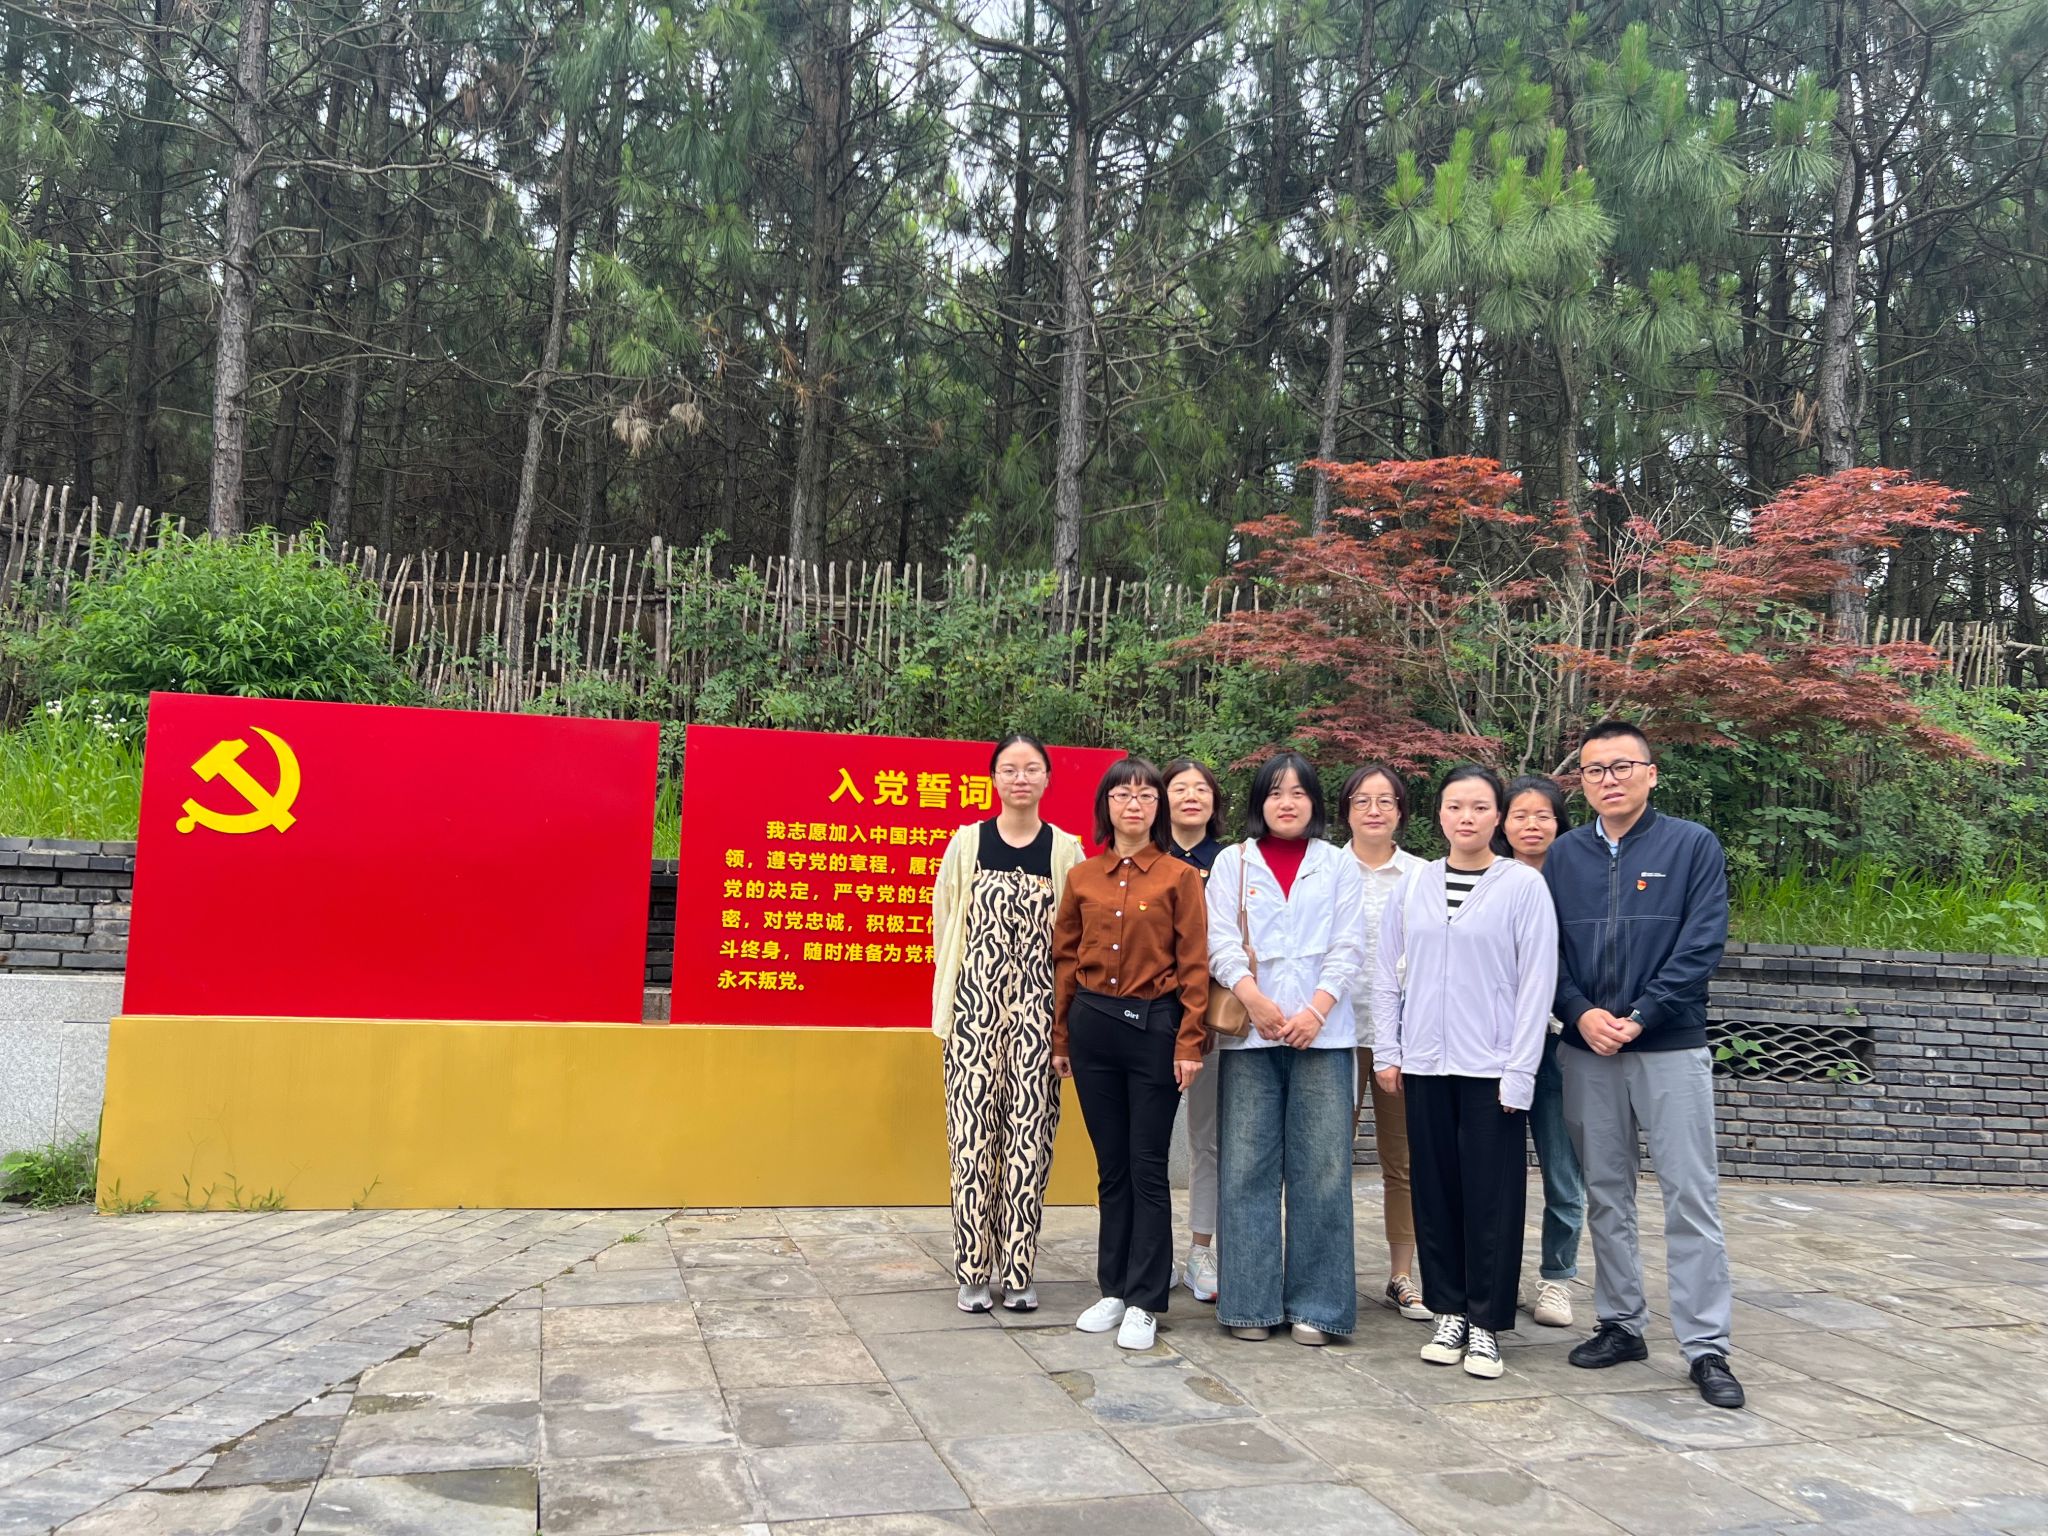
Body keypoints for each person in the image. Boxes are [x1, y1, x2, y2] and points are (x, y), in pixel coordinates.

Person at [1545, 719, 1744, 1410]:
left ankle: (1706, 1345)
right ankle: (1621, 1323)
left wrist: (1644, 1013)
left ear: (1651, 773)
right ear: (1583, 781)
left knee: (1690, 1194)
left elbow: (1703, 941)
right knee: (1606, 1191)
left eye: (1622, 766)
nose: (1609, 779)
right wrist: (1579, 1013)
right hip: (1588, 1049)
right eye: (1595, 770)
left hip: (1670, 1045)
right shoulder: (1564, 856)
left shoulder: (1691, 845)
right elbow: (1546, 952)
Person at [1372, 764, 1557, 1380]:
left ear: (1497, 816)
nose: (1467, 817)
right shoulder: (1415, 884)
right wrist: (1389, 1050)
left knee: (1491, 1198)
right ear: (1440, 815)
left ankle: (1486, 1323)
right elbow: (1386, 972)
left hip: (1492, 1068)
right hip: (1426, 1063)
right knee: (1435, 1192)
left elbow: (1536, 984)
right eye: (1455, 806)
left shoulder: (1522, 886)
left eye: (1480, 807)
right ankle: (1448, 1310)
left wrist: (1520, 1072)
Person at [1207, 752, 1367, 1346]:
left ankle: (1318, 1308)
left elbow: (1349, 945)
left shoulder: (1338, 863)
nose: (1287, 802)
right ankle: (1249, 1304)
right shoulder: (1233, 862)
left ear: (1315, 803)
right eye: (1275, 792)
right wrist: (1254, 1001)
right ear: (1259, 802)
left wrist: (1315, 1011)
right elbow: (1218, 940)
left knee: (1322, 1172)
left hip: (1324, 1036)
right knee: (1246, 1170)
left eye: (1299, 792)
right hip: (1251, 1037)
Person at [1054, 758, 1211, 1350]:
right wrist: (1062, 1038)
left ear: (1157, 808)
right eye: (1122, 795)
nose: (1134, 805)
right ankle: (1113, 1289)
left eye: (1146, 795)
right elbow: (1066, 960)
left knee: (1147, 1166)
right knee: (1111, 1167)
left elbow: (1194, 965)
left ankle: (1146, 1299)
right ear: (1107, 806)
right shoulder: (1083, 877)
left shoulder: (1179, 877)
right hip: (1093, 1028)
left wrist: (1190, 1041)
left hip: (1154, 1030)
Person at [930, 733, 1086, 1315]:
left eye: (1032, 769)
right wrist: (958, 1002)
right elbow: (946, 922)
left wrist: (1064, 1025)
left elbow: (1076, 941)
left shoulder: (1065, 850)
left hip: (1040, 1016)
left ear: (1047, 778)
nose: (1021, 778)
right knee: (971, 1140)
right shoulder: (966, 843)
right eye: (1010, 769)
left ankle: (1019, 1270)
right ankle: (973, 1269)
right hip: (974, 1013)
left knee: (1029, 1138)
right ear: (994, 778)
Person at [1338, 763, 1431, 1325]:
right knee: (1327, 1161)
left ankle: (1402, 1275)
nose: (1374, 810)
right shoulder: (1326, 871)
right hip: (1334, 1034)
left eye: (1386, 801)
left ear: (1401, 811)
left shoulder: (1423, 876)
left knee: (1403, 1162)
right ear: (1346, 811)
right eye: (1362, 800)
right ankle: (1326, 1270)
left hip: (1402, 1037)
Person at [1498, 773, 1586, 1330]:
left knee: (1562, 1168)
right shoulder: (1487, 878)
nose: (1532, 825)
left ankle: (1557, 1277)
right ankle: (1494, 1274)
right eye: (1520, 815)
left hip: (1559, 1042)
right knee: (1494, 1171)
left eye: (1544, 815)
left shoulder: (1578, 881)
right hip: (1495, 1045)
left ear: (1560, 823)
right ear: (1502, 822)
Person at [1161, 757, 1226, 1303]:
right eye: (1179, 787)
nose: (1190, 796)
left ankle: (1201, 1249)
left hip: (1213, 1019)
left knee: (1208, 1138)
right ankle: (1152, 1250)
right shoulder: (1146, 858)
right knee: (1147, 1142)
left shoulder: (1231, 863)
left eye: (1200, 788)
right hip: (1151, 1016)